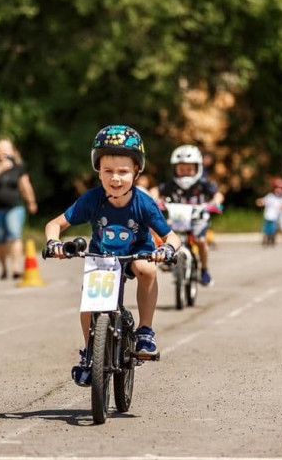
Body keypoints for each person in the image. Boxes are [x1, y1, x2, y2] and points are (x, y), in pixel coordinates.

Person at [44, 125, 181, 387]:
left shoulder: (144, 203)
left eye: (123, 172)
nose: (115, 178)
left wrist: (166, 249)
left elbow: (172, 236)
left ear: (136, 172)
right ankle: (89, 354)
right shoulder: (92, 199)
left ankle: (145, 331)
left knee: (148, 269)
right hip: (101, 258)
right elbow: (55, 224)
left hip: (136, 256)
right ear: (98, 171)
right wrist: (54, 243)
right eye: (108, 171)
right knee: (89, 301)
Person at [150, 145, 224, 286]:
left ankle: (204, 270)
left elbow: (218, 194)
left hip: (198, 218)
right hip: (177, 218)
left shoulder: (203, 184)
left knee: (201, 241)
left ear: (197, 168)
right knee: (163, 232)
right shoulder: (171, 185)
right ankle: (167, 258)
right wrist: (154, 199)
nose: (185, 173)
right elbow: (155, 190)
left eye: (189, 169)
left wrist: (215, 202)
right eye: (181, 169)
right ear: (175, 169)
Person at [0, 139, 38, 280]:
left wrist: (31, 201)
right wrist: (2, 167)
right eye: (0, 149)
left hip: (15, 207)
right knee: (0, 241)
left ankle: (15, 267)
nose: (3, 151)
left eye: (6, 148)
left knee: (15, 236)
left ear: (13, 151)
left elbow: (25, 185)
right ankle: (3, 269)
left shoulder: (18, 167)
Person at [256, 178, 282, 246]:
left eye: (281, 189)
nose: (279, 190)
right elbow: (263, 201)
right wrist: (259, 202)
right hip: (269, 216)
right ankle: (266, 237)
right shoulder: (270, 197)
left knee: (275, 228)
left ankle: (273, 238)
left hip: (278, 217)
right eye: (277, 188)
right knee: (267, 228)